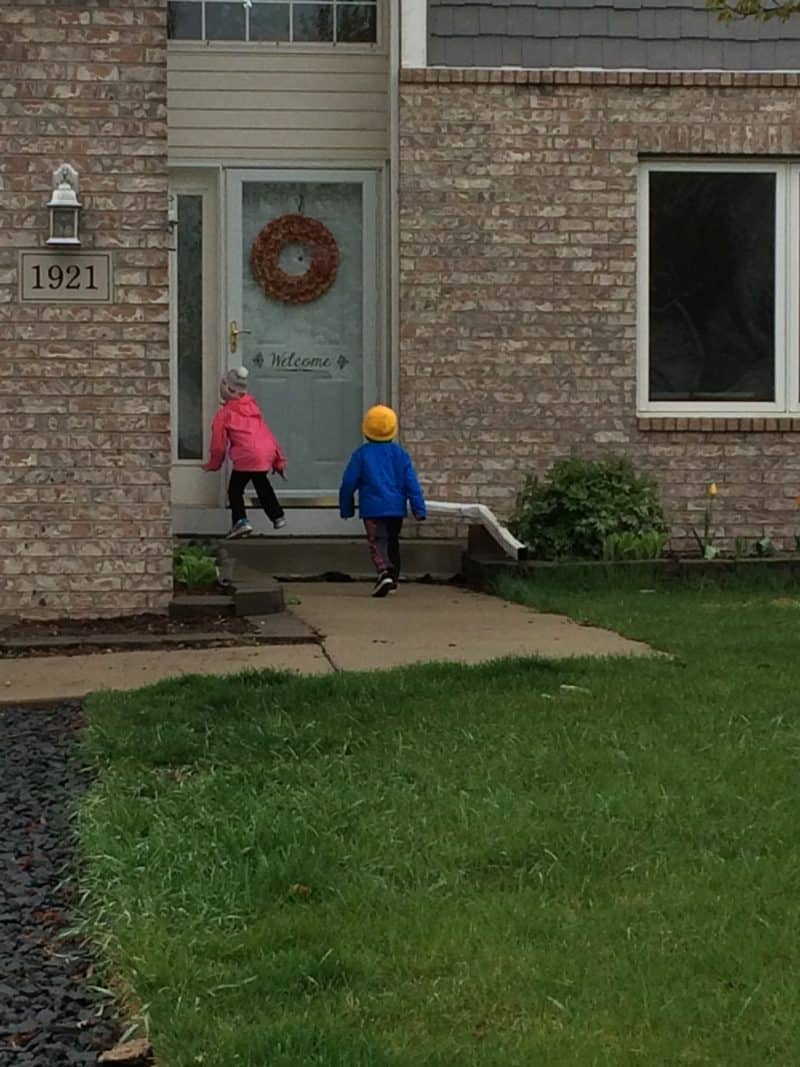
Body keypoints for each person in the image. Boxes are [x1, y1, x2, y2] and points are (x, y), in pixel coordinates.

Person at [339, 404, 426, 597]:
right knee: (392, 541)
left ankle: (384, 573)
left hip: (373, 509)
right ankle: (393, 579)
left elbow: (348, 482)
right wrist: (419, 509)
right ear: (393, 430)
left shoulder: (362, 454)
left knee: (377, 542)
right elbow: (412, 483)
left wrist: (346, 508)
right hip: (396, 509)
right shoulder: (400, 454)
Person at [203, 366, 287, 539]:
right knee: (262, 484)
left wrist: (213, 464)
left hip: (247, 455)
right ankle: (277, 516)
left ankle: (241, 521)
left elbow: (218, 445)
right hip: (265, 453)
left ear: (228, 389)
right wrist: (278, 461)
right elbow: (267, 435)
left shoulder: (225, 414)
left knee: (235, 489)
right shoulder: (253, 409)